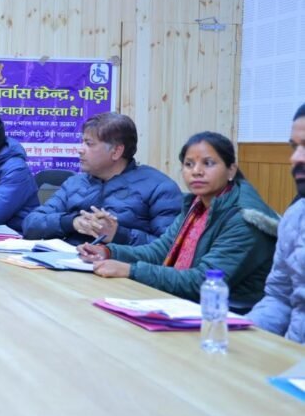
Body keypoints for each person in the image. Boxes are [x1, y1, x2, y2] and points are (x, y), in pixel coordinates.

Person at [78, 132, 278, 306]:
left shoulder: (244, 218)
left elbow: (204, 281)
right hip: (186, 303)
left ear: (231, 170)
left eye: (208, 163)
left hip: (229, 313)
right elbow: (160, 251)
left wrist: (131, 270)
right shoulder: (197, 204)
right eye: (189, 164)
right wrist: (109, 251)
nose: (196, 171)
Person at [22, 112, 182, 245]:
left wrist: (118, 235)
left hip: (120, 270)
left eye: (89, 144)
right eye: (82, 142)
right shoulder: (75, 183)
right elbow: (30, 224)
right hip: (66, 264)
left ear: (116, 152)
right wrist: (72, 222)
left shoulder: (159, 187)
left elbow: (170, 249)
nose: (80, 150)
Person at [248, 104, 305, 342]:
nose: (295, 158)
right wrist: (239, 337)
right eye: (294, 147)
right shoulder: (296, 217)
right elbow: (279, 298)